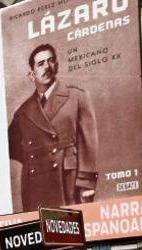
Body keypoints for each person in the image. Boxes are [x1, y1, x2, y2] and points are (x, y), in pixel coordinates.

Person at [9, 43, 98, 210]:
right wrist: (36, 159)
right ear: (32, 74)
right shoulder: (23, 112)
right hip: (35, 184)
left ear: (56, 65)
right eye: (40, 64)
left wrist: (87, 183)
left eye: (50, 61)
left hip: (68, 180)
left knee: (70, 224)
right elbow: (11, 146)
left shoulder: (77, 97)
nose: (47, 67)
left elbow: (88, 143)